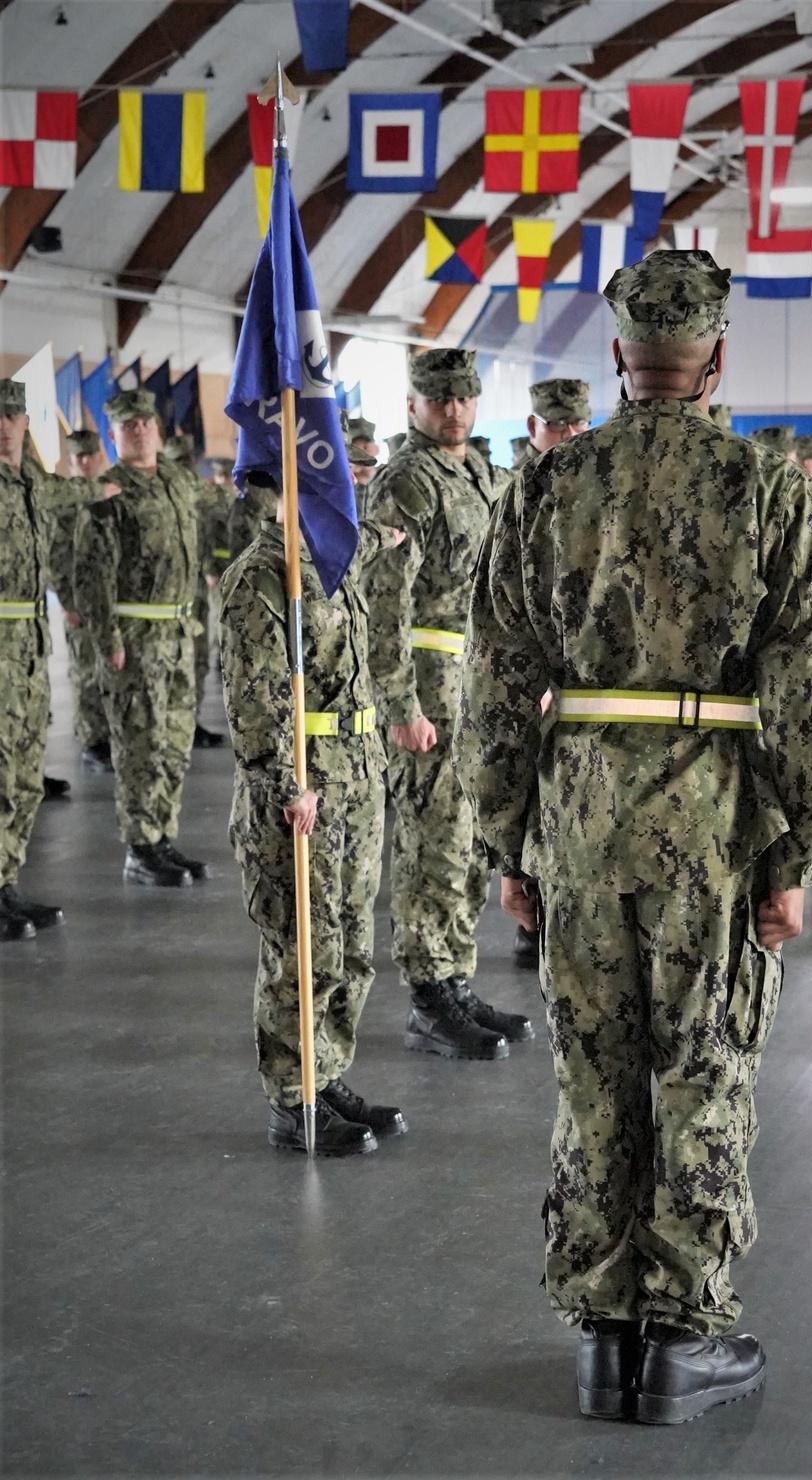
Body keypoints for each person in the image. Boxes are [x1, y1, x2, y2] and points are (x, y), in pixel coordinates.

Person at [456, 249, 812, 1425]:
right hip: (711, 824)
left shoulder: (540, 488)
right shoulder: (769, 492)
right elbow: (809, 704)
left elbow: (494, 679)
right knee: (700, 1065)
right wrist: (792, 862)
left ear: (619, 360)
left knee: (592, 1071)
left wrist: (508, 840)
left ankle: (600, 1331)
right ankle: (679, 1339)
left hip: (576, 821)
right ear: (717, 356)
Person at [218, 469, 406, 1155]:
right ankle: (291, 1096)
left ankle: (325, 1076)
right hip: (304, 789)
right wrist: (287, 781)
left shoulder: (337, 561)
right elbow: (254, 697)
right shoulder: (263, 577)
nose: (344, 494)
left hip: (356, 780)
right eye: (328, 481)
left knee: (352, 945)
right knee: (304, 946)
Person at [364, 347, 532, 1060]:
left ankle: (457, 978)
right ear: (414, 406)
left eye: (463, 397)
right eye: (438, 399)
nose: (453, 410)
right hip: (430, 684)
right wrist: (400, 702)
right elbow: (384, 599)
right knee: (431, 842)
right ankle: (430, 994)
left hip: (479, 685)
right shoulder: (405, 481)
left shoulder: (484, 475)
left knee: (467, 841)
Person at [74, 390, 207, 887]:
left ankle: (162, 835)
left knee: (174, 742)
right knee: (137, 744)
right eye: (127, 425)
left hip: (178, 634)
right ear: (113, 436)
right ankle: (139, 846)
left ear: (157, 427)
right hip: (136, 636)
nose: (138, 430)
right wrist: (107, 639)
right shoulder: (108, 491)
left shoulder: (176, 480)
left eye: (145, 421)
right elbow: (91, 573)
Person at [0, 380, 118, 940]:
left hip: (27, 640)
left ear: (26, 424)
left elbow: (75, 494)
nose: (4, 425)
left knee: (24, 773)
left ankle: (5, 883)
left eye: (13, 416)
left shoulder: (34, 482)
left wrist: (112, 486)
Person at [508, 378, 592, 973]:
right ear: (533, 428)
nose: (566, 436)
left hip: (576, 678)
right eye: (555, 425)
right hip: (522, 668)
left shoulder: (597, 485)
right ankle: (527, 916)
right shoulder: (519, 493)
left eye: (576, 426)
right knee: (525, 792)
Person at [162, 433, 226, 749]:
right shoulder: (162, 497)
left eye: (187, 463)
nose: (184, 470)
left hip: (196, 593)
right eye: (177, 464)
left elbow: (219, 519)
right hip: (166, 598)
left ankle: (191, 721)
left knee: (198, 662)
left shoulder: (201, 495)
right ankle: (166, 729)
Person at [60, 430, 114, 771]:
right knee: (85, 673)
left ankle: (109, 734)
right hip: (79, 601)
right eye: (77, 456)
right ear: (71, 461)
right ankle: (92, 739)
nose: (84, 461)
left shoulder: (108, 497)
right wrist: (67, 602)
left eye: (89, 455)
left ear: (98, 456)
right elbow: (57, 554)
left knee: (108, 668)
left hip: (107, 600)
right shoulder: (66, 501)